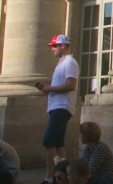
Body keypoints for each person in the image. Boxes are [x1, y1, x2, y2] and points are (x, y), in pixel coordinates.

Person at [35, 34, 80, 184]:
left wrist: (50, 89)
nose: (52, 49)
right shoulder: (62, 63)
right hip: (57, 107)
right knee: (59, 144)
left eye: (54, 46)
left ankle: (49, 177)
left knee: (48, 141)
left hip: (62, 107)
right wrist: (49, 89)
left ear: (63, 46)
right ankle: (64, 175)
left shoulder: (70, 62)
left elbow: (71, 85)